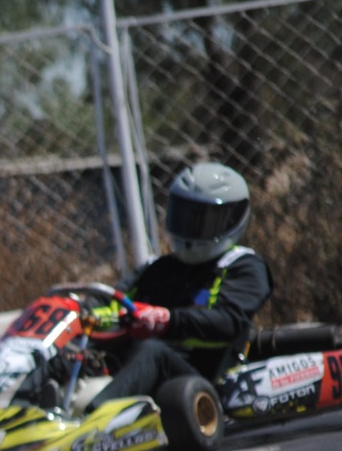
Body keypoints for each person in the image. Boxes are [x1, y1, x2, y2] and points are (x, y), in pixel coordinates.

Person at [88, 161, 273, 409]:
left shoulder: (243, 266)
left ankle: (92, 423)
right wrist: (81, 312)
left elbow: (227, 322)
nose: (190, 229)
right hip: (140, 365)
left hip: (202, 378)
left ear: (231, 218)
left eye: (204, 220)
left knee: (153, 351)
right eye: (184, 216)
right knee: (71, 352)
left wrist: (166, 320)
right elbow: (112, 301)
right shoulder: (159, 268)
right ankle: (26, 412)